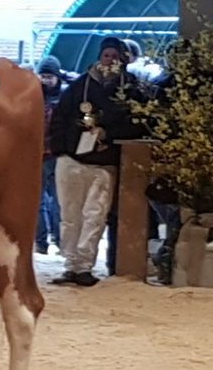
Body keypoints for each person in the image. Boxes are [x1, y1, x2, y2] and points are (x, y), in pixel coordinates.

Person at [46, 36, 144, 285]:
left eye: (115, 56)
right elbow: (60, 117)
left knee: (95, 215)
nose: (110, 60)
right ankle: (70, 264)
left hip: (103, 161)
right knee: (69, 214)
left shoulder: (131, 89)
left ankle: (84, 265)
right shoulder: (81, 85)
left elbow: (138, 125)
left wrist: (108, 133)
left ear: (123, 59)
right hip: (72, 158)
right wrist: (60, 149)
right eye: (106, 55)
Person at [35, 55, 64, 254]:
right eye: (42, 75)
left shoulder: (63, 97)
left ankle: (60, 240)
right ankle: (41, 241)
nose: (45, 80)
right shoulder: (33, 97)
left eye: (49, 76)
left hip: (56, 154)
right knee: (38, 201)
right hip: (37, 156)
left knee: (59, 200)